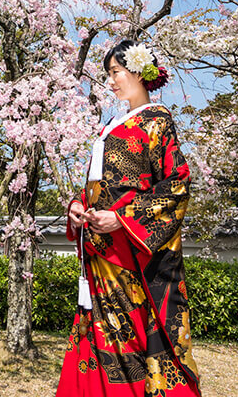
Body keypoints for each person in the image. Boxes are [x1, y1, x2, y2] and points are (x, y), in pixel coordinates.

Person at [56, 40, 200, 397]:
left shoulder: (157, 121)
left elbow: (177, 183)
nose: (111, 82)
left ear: (138, 72)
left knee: (129, 334)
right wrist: (78, 205)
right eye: (108, 74)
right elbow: (99, 182)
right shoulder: (112, 124)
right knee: (100, 331)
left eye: (116, 72)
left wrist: (121, 219)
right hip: (99, 247)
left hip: (130, 251)